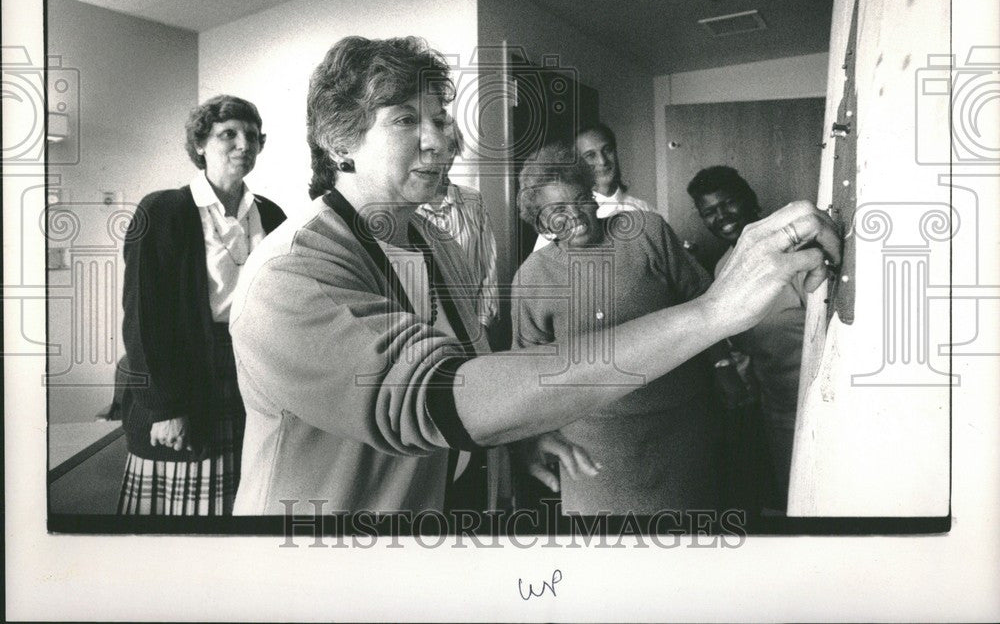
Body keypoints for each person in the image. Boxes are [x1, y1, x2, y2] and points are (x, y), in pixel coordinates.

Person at [229, 35, 839, 516]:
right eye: (406, 120)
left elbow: (472, 373)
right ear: (341, 139)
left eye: (441, 119)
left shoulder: (433, 240)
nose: (441, 140)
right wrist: (711, 311)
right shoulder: (289, 276)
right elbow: (440, 398)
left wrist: (511, 439)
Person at [511, 144, 719, 514]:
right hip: (593, 446)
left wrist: (725, 367)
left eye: (581, 199)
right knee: (603, 555)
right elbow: (528, 371)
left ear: (594, 198)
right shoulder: (532, 277)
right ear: (541, 224)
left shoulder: (646, 233)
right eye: (558, 211)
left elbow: (707, 303)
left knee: (688, 545)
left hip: (679, 427)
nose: (576, 215)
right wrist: (534, 435)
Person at [118, 96, 286, 515]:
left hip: (252, 372)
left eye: (251, 136)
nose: (243, 144)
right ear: (200, 145)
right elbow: (144, 319)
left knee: (245, 495)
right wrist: (165, 408)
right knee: (189, 509)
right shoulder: (163, 211)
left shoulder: (273, 215)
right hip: (186, 377)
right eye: (227, 134)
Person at [688, 165, 807, 512]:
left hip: (817, 400)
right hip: (777, 407)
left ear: (748, 201)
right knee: (791, 501)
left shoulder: (792, 251)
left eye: (727, 204)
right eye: (709, 211)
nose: (720, 217)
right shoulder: (724, 268)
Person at [415, 122, 500, 347]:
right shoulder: (405, 207)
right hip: (423, 336)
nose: (442, 157)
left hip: (473, 329)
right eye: (433, 150)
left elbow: (488, 268)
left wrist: (481, 327)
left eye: (450, 148)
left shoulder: (473, 201)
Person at [533, 122, 652, 251]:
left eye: (607, 150)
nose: (602, 161)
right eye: (590, 155)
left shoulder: (644, 210)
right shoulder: (563, 219)